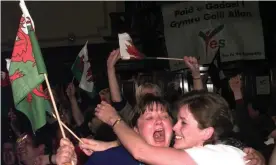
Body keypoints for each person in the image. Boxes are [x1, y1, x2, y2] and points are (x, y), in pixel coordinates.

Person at [56, 94, 264, 165]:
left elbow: (142, 152)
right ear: (135, 130)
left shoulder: (215, 155)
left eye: (165, 116)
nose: (170, 125)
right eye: (149, 117)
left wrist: (114, 120)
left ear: (206, 133)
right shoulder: (108, 160)